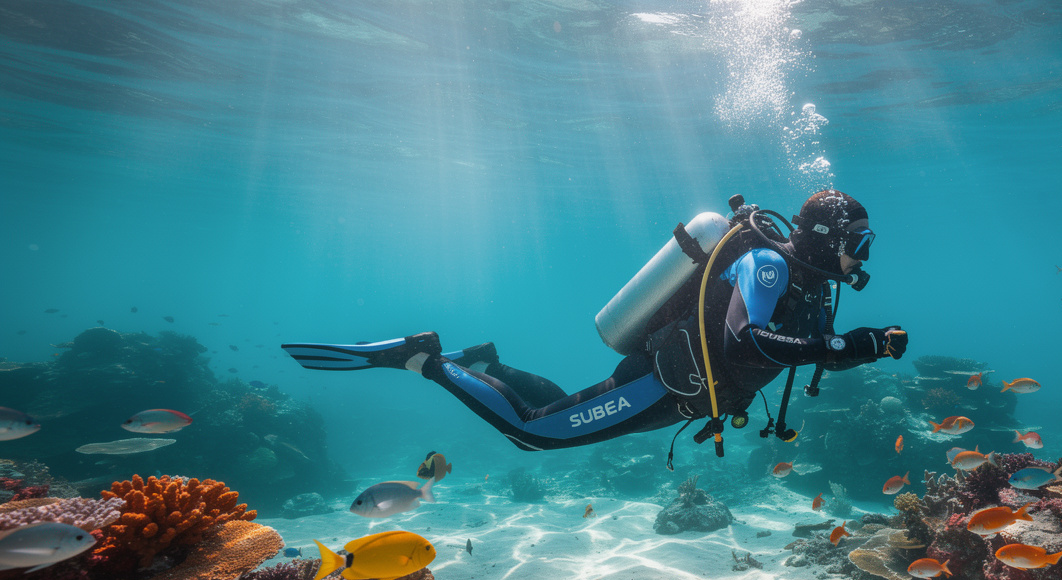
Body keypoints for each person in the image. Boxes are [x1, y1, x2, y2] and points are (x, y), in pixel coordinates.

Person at [283, 190, 907, 455]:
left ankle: (487, 364)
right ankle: (425, 359)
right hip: (665, 381)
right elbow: (745, 341)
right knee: (536, 434)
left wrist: (865, 347)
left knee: (552, 410)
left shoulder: (812, 284)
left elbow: (808, 349)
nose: (863, 256)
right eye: (859, 242)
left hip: (687, 390)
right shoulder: (770, 267)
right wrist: (843, 344)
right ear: (825, 238)